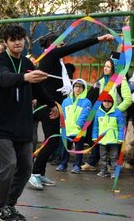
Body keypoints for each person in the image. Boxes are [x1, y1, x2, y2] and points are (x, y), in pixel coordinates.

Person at [0, 25, 58, 221]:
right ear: (6, 42)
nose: (18, 42)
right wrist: (25, 77)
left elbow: (38, 90)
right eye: (12, 39)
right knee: (8, 164)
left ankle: (9, 203)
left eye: (20, 38)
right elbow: (3, 78)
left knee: (26, 167)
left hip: (22, 125)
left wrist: (52, 104)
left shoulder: (27, 62)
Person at [29, 31, 114, 190]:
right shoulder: (51, 55)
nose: (62, 48)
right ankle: (34, 173)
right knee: (52, 140)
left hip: (54, 105)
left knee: (54, 140)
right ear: (52, 46)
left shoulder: (57, 63)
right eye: (60, 45)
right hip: (48, 106)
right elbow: (76, 46)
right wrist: (99, 38)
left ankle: (39, 172)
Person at [81, 58, 132, 171]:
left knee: (115, 142)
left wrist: (117, 111)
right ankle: (93, 163)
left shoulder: (120, 80)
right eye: (104, 66)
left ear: (114, 68)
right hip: (104, 116)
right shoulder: (103, 81)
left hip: (117, 116)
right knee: (100, 140)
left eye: (108, 66)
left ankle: (113, 166)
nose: (105, 68)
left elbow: (128, 99)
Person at [57, 79, 92, 173]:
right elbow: (62, 114)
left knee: (79, 149)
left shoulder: (86, 102)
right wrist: (62, 125)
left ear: (84, 89)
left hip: (78, 130)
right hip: (67, 129)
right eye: (76, 86)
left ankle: (77, 165)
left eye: (80, 87)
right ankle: (63, 164)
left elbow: (85, 115)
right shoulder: (66, 101)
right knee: (65, 148)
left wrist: (79, 125)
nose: (78, 88)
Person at [92, 92, 125, 177]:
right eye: (105, 101)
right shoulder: (98, 113)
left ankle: (114, 172)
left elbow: (121, 127)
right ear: (102, 102)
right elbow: (96, 126)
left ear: (112, 103)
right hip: (102, 139)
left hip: (113, 140)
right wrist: (94, 137)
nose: (107, 103)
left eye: (109, 101)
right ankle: (103, 170)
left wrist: (120, 138)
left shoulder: (117, 113)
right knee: (103, 156)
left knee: (114, 157)